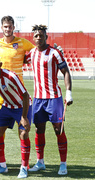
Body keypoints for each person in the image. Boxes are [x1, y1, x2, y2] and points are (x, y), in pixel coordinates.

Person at [26, 25, 73, 176]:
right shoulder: (32, 53)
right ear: (33, 38)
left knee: (59, 130)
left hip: (54, 98)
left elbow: (66, 72)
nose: (39, 38)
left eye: (41, 35)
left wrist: (69, 92)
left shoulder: (54, 53)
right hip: (38, 99)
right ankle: (40, 162)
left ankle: (63, 164)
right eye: (36, 36)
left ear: (46, 37)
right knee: (39, 130)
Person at [0, 15, 35, 168]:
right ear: (1, 27)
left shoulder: (23, 43)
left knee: (22, 128)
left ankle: (25, 163)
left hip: (18, 92)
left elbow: (36, 52)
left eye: (10, 26)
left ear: (13, 27)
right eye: (5, 27)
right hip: (1, 93)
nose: (8, 29)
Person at [0, 52, 32, 178]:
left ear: (0, 64)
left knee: (23, 133)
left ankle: (24, 167)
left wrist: (24, 117)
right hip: (7, 106)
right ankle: (2, 166)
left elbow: (25, 95)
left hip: (22, 106)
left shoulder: (11, 76)